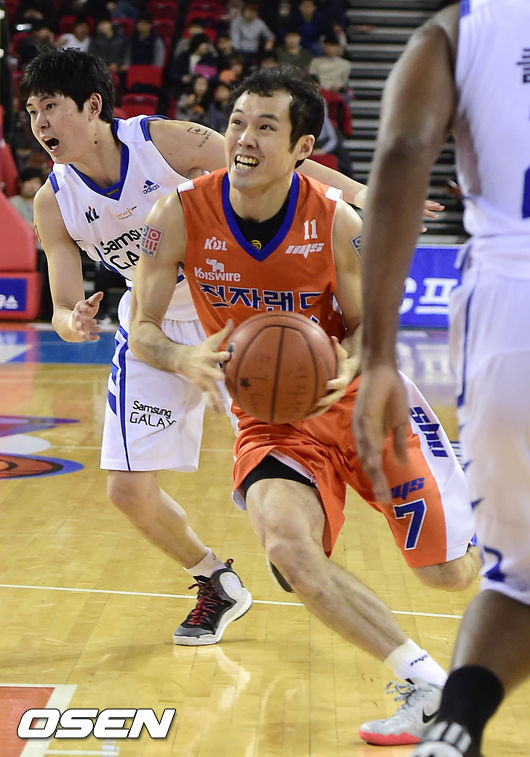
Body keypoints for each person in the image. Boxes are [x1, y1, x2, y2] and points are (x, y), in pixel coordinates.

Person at [128, 66, 479, 745]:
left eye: (266, 127)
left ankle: (479, 493)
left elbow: (373, 326)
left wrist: (339, 360)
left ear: (302, 147)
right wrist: (179, 357)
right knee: (289, 550)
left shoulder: (336, 221)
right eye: (237, 121)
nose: (244, 138)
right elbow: (142, 326)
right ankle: (426, 684)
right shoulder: (177, 214)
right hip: (270, 420)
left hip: (362, 405)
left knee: (447, 575)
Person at [19, 47, 388, 649]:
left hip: (239, 314)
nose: (39, 124)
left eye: (50, 107)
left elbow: (277, 170)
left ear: (91, 107)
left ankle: (299, 535)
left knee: (293, 440)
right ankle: (215, 579)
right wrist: (72, 322)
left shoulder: (166, 142)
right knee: (126, 489)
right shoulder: (52, 199)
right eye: (32, 111)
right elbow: (61, 304)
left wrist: (363, 195)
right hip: (153, 328)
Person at [352, 2, 530, 756]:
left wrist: (379, 358)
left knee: (517, 580)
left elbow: (401, 152)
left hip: (511, 312)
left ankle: (456, 726)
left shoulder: (459, 31)